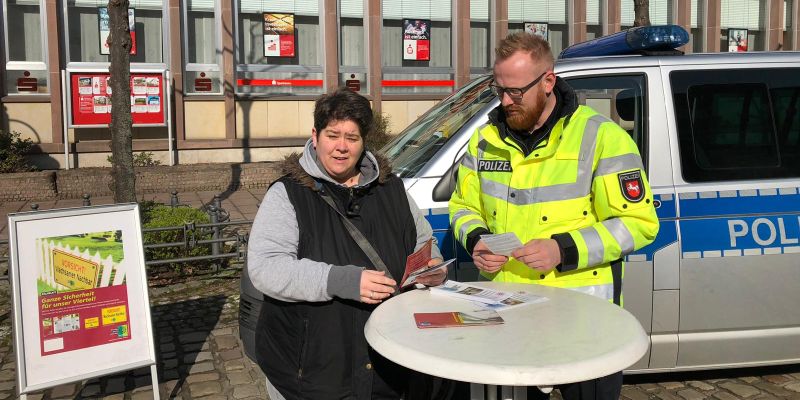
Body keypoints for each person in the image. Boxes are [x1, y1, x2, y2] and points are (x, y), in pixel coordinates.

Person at [448, 32, 659, 399]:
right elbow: (463, 206)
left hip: (584, 321)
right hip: (509, 315)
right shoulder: (484, 140)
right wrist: (477, 239)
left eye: (516, 91)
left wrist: (563, 249)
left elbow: (638, 224)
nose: (505, 101)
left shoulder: (602, 137)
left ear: (548, 81)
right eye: (498, 90)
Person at [248, 88, 447, 400]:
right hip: (312, 372)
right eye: (333, 135)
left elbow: (423, 241)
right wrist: (342, 280)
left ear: (364, 141)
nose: (341, 147)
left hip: (387, 366)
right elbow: (266, 268)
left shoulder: (391, 188)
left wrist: (430, 266)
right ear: (315, 136)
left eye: (352, 138)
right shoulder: (288, 194)